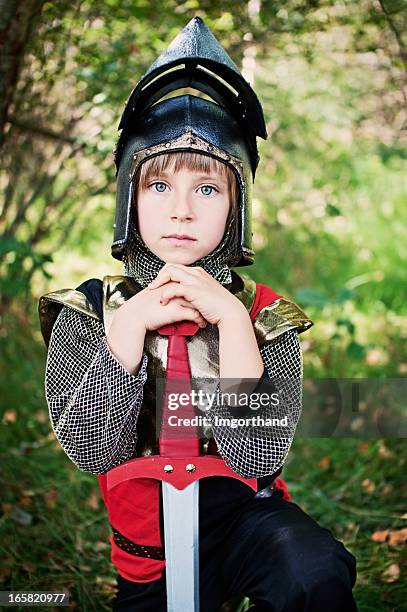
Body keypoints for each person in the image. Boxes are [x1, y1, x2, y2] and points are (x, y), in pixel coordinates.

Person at [39, 17, 358, 612]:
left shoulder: (265, 314)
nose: (181, 210)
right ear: (128, 198)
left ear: (238, 204)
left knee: (311, 573)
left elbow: (257, 457)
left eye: (207, 189)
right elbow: (93, 450)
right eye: (158, 186)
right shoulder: (87, 310)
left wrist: (234, 326)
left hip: (248, 528)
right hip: (149, 554)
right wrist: (128, 328)